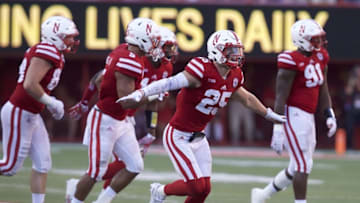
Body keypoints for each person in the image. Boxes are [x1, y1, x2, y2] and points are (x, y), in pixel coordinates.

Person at [118, 29, 286, 203]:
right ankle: (160, 192)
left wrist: (268, 114)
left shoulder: (234, 75)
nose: (236, 55)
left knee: (204, 190)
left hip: (199, 136)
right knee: (196, 187)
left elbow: (247, 99)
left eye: (238, 50)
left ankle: (162, 193)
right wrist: (143, 93)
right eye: (231, 51)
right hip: (178, 135)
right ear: (216, 50)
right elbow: (170, 82)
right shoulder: (201, 69)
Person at [65, 26, 177, 201]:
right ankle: (75, 197)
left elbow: (151, 102)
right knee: (97, 171)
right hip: (107, 117)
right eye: (163, 45)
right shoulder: (130, 59)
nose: (168, 51)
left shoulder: (155, 64)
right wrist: (84, 102)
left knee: (135, 165)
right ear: (142, 40)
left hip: (123, 118)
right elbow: (126, 99)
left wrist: (151, 129)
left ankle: (101, 200)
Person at [251, 19, 337, 203]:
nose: (319, 43)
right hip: (293, 115)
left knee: (297, 165)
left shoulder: (321, 56)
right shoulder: (290, 60)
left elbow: (323, 87)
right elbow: (280, 96)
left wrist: (329, 113)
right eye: (314, 39)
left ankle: (261, 195)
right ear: (301, 40)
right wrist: (278, 127)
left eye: (319, 38)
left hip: (308, 116)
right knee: (302, 165)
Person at [0, 16, 79, 203]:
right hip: (20, 111)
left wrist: (48, 101)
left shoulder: (54, 53)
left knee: (43, 163)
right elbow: (29, 84)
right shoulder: (47, 50)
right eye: (67, 37)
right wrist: (51, 103)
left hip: (32, 113)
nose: (71, 41)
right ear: (54, 36)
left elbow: (37, 86)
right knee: (9, 166)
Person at [344, 65, 360, 149]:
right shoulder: (352, 81)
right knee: (349, 126)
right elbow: (348, 92)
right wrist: (352, 83)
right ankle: (349, 147)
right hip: (353, 110)